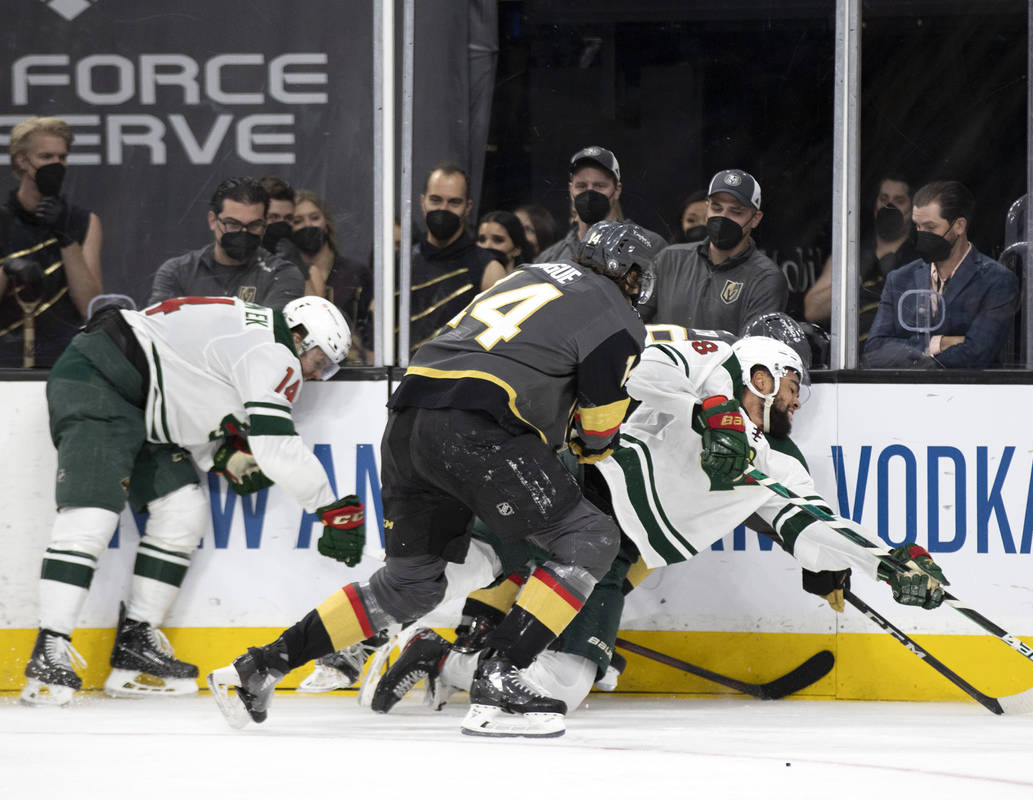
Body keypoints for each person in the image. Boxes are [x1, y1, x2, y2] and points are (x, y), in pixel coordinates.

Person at [369, 313, 950, 719]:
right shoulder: (708, 360)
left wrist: (885, 562)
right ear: (763, 372)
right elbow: (636, 361)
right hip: (574, 490)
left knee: (568, 683)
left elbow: (811, 523)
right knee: (457, 570)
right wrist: (714, 408)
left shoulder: (782, 462)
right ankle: (360, 641)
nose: (801, 401)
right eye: (796, 383)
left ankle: (442, 661)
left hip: (615, 553)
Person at [208, 221, 653, 738]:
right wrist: (583, 442)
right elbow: (598, 428)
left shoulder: (527, 276)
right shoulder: (614, 310)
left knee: (409, 585)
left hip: (409, 417)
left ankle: (260, 667)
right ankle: (499, 679)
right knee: (591, 537)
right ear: (633, 274)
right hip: (479, 421)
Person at [20, 295, 364, 706]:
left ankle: (135, 646)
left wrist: (219, 454)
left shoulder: (252, 332)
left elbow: (185, 383)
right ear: (300, 336)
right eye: (320, 361)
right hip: (103, 377)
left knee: (183, 509)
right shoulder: (275, 353)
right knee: (91, 515)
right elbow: (278, 448)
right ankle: (49, 647)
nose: (316, 374)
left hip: (138, 395)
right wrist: (331, 509)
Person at [863, 180, 1020, 368]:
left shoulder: (997, 280)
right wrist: (941, 343)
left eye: (930, 227)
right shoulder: (899, 279)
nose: (921, 234)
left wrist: (908, 353)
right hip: (905, 394)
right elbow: (874, 350)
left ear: (959, 226)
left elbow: (978, 352)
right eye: (917, 226)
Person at [0, 116, 103, 367]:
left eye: (62, 158)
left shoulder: (84, 221)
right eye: (46, 157)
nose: (56, 165)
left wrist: (66, 236)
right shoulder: (2, 219)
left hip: (64, 357)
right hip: (5, 356)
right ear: (22, 161)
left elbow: (90, 306)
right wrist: (7, 269)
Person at [640, 169, 787, 333]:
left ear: (755, 218)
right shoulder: (669, 259)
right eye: (717, 208)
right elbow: (634, 320)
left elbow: (753, 348)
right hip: (664, 358)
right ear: (707, 207)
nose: (723, 216)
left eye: (736, 211)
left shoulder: (765, 277)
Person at [146, 177, 305, 310]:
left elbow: (272, 335)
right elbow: (160, 332)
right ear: (213, 220)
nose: (243, 232)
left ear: (264, 225)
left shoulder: (281, 274)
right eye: (233, 224)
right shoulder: (178, 272)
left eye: (253, 225)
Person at [804, 174, 918, 349]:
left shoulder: (921, 258)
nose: (890, 206)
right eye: (884, 198)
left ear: (912, 210)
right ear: (875, 206)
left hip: (902, 359)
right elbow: (812, 310)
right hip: (852, 360)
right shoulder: (850, 254)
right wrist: (855, 275)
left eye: (899, 200)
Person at [407, 162, 504, 354]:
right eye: (435, 200)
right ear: (422, 201)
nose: (443, 209)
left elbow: (498, 345)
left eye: (454, 202)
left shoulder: (489, 269)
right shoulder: (399, 264)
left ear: (467, 207)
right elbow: (373, 340)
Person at [535, 146, 667, 264]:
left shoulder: (650, 246)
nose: (589, 192)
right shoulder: (549, 259)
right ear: (570, 190)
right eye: (581, 186)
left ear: (617, 190)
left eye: (599, 186)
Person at [292, 189, 373, 364]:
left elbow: (370, 331)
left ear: (326, 221)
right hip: (307, 370)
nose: (308, 225)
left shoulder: (355, 273)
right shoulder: (288, 276)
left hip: (354, 371)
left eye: (314, 218)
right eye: (298, 221)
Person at [477, 209, 535, 291]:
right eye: (482, 240)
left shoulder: (528, 287)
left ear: (516, 250)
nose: (487, 246)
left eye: (498, 240)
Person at [258, 175, 304, 268]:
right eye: (273, 217)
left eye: (288, 218)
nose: (281, 224)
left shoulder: (303, 261)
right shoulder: (238, 261)